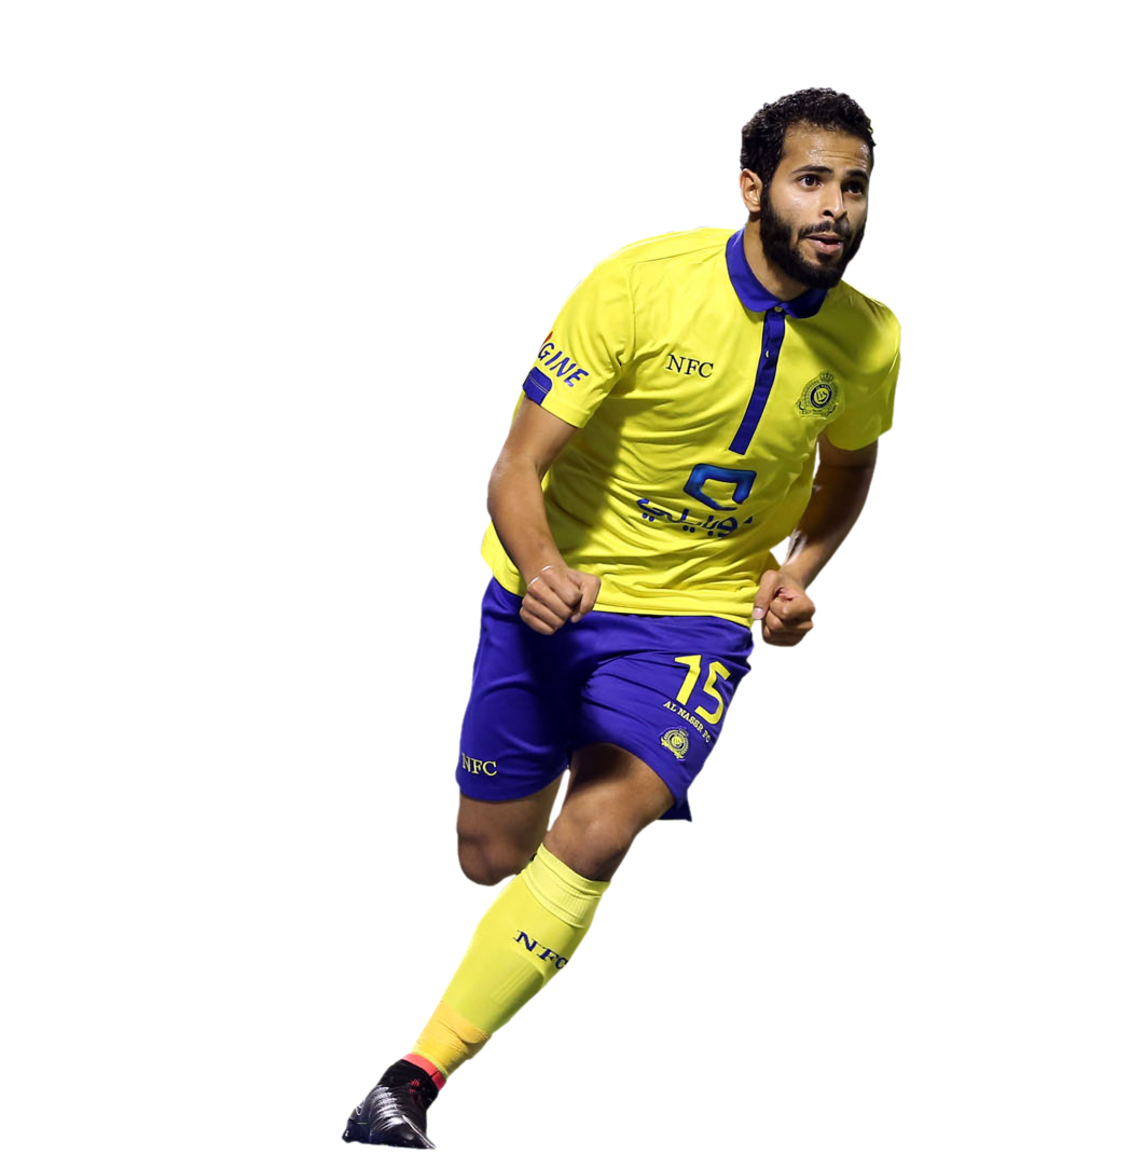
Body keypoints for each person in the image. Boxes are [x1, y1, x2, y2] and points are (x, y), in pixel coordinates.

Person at [343, 87, 900, 1148]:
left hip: (695, 616)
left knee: (602, 824)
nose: (836, 207)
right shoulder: (639, 286)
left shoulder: (871, 339)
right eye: (811, 181)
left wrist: (798, 569)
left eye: (855, 185)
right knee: (490, 854)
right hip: (556, 592)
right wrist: (544, 567)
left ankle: (409, 1082)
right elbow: (515, 467)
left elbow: (849, 468)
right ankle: (540, 831)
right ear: (755, 189)